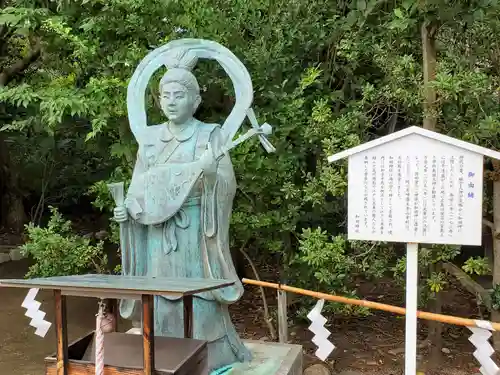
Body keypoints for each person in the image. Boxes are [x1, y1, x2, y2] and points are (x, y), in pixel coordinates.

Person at [113, 49, 252, 372]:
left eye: (179, 95)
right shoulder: (149, 139)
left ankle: (208, 354)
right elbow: (139, 187)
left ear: (195, 100)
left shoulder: (209, 135)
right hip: (157, 238)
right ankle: (159, 354)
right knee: (160, 296)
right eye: (165, 95)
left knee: (199, 297)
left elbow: (226, 186)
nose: (171, 101)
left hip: (195, 233)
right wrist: (129, 211)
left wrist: (210, 173)